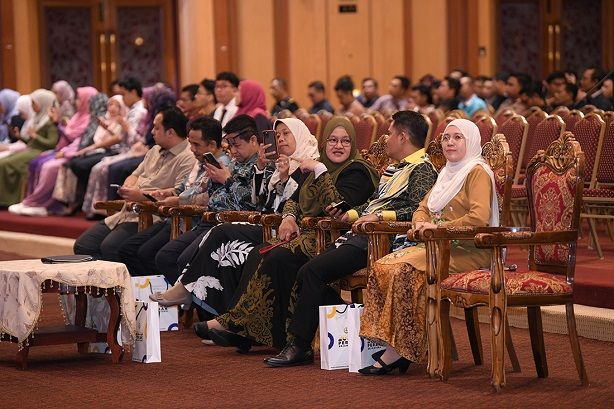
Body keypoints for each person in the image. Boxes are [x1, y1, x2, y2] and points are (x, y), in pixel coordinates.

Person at [264, 110, 439, 367]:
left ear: (402, 137)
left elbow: (416, 211)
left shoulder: (422, 168)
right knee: (306, 273)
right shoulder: (394, 169)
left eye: (390, 133)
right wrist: (350, 214)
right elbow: (372, 203)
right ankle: (355, 329)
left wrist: (379, 217)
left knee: (311, 272)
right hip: (362, 233)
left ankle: (300, 345)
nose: (386, 138)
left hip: (383, 239)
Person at [205, 117, 379, 352]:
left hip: (332, 238)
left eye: (345, 141)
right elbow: (293, 201)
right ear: (324, 143)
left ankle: (250, 329)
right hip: (306, 234)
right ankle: (248, 329)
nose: (338, 146)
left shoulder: (357, 171)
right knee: (259, 252)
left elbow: (336, 209)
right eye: (333, 140)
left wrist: (320, 171)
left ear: (353, 144)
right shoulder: (315, 166)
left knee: (280, 258)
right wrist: (288, 218)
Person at [357, 118, 499, 375]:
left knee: (404, 270)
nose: (450, 142)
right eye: (446, 138)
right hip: (437, 248)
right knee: (384, 265)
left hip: (469, 251)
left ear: (471, 142)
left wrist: (437, 227)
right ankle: (391, 342)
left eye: (457, 137)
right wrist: (422, 223)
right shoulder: (446, 173)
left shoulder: (476, 172)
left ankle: (403, 349)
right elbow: (422, 208)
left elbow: (478, 219)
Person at [149, 117, 321, 318]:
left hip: (281, 231)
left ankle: (201, 301)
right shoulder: (277, 164)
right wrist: (263, 169)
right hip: (260, 224)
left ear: (299, 135)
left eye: (286, 133)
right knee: (219, 247)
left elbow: (281, 205)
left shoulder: (311, 165)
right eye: (277, 135)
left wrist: (275, 177)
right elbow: (262, 200)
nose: (280, 139)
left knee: (221, 234)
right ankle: (215, 314)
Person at [150, 114, 263, 284]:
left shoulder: (261, 165)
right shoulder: (234, 163)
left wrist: (227, 180)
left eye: (237, 145)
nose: (232, 151)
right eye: (230, 145)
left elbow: (252, 202)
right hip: (209, 219)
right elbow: (216, 194)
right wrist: (212, 180)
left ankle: (192, 297)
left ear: (253, 140)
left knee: (184, 260)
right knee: (166, 256)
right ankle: (187, 297)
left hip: (229, 226)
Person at [73, 106, 196, 262]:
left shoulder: (188, 156)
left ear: (170, 132)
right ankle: (102, 277)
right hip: (128, 211)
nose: (152, 131)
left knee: (110, 247)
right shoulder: (155, 150)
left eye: (156, 128)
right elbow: (135, 174)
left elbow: (178, 193)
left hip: (152, 215)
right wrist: (128, 187)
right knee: (84, 245)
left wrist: (140, 196)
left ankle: (121, 277)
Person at [117, 116, 231, 279]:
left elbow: (207, 197)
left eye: (196, 144)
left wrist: (176, 200)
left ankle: (169, 291)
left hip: (192, 220)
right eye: (190, 143)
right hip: (177, 217)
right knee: (129, 249)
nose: (191, 149)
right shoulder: (202, 161)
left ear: (212, 145)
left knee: (154, 255)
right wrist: (167, 193)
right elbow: (184, 188)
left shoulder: (221, 165)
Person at [8, 88, 102, 216]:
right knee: (38, 163)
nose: (76, 102)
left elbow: (74, 138)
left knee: (49, 167)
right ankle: (32, 201)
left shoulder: (89, 119)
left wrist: (57, 123)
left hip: (74, 152)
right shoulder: (77, 116)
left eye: (79, 99)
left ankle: (44, 204)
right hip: (64, 149)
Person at [0, 89, 58, 206]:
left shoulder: (49, 121)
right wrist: (20, 137)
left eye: (34, 103)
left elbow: (52, 143)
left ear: (42, 103)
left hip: (39, 152)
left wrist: (35, 136)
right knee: (4, 161)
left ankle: (8, 200)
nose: (32, 106)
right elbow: (31, 142)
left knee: (4, 164)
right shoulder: (38, 118)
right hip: (30, 149)